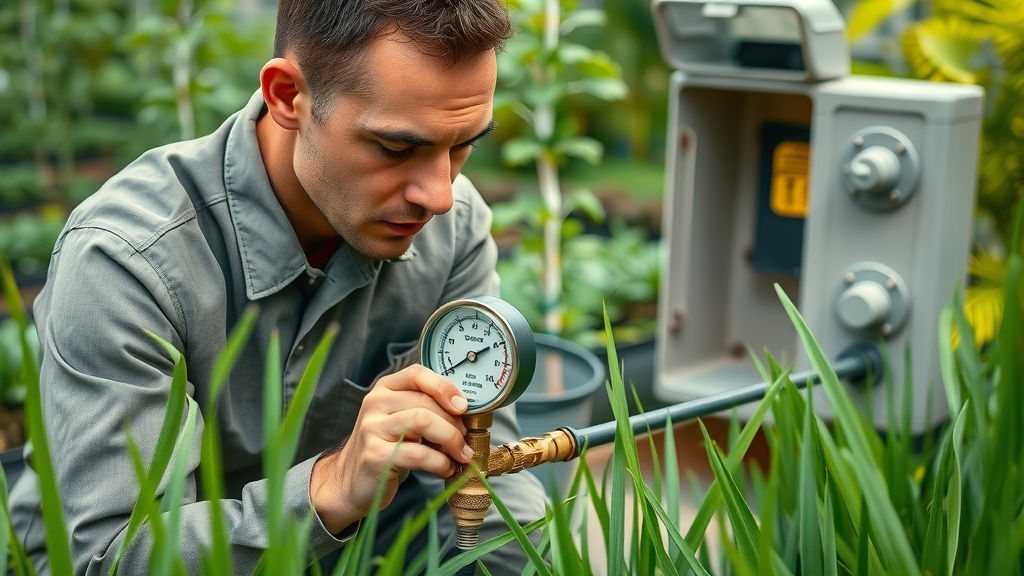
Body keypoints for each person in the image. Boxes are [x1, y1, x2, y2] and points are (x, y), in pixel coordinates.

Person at [8, 1, 549, 574]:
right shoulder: (127, 259)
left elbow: (482, 494)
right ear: (289, 96)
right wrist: (331, 489)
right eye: (397, 148)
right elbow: (117, 555)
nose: (439, 195)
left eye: (463, 144)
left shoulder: (455, 227)